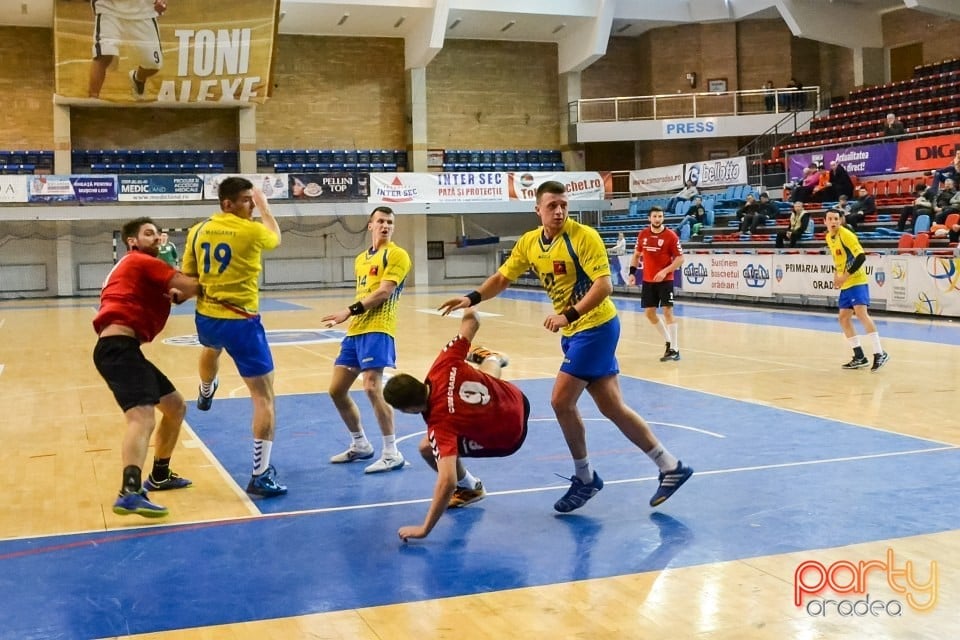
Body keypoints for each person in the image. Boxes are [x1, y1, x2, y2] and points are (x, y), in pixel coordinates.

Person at [439, 181, 693, 513]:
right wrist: (471, 297)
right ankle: (670, 466)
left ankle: (585, 477)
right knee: (613, 407)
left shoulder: (583, 236)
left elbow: (604, 286)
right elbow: (503, 277)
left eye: (563, 205)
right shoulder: (530, 243)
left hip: (596, 327)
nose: (559, 211)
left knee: (560, 401)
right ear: (538, 210)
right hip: (576, 332)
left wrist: (567, 314)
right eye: (552, 206)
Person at [181, 177, 287, 497]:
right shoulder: (253, 230)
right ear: (227, 204)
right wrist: (267, 211)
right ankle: (259, 474)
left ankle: (205, 389)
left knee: (210, 348)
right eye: (246, 200)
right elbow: (275, 237)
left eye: (252, 201)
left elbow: (189, 276)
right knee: (264, 398)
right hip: (242, 322)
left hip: (208, 315)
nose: (251, 205)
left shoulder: (197, 231)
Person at [384, 308, 527, 541]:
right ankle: (491, 359)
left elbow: (446, 481)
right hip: (516, 398)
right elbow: (473, 319)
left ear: (409, 409)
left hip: (510, 435)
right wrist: (469, 302)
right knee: (480, 378)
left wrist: (424, 529)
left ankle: (470, 488)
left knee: (426, 449)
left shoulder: (440, 426)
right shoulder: (443, 363)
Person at [92, 216, 201, 517]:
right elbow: (190, 286)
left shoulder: (131, 266)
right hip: (119, 350)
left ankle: (161, 475)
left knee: (175, 406)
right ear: (132, 241)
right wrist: (218, 273)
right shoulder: (141, 261)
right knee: (142, 417)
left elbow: (172, 292)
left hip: (124, 350)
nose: (157, 238)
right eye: (149, 233)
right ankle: (129, 490)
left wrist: (179, 292)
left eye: (158, 233)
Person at [325, 206, 412, 474]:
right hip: (356, 332)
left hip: (379, 328)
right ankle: (360, 444)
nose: (385, 226)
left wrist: (346, 311)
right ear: (370, 225)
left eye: (389, 222)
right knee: (336, 390)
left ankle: (391, 452)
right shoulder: (361, 259)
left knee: (372, 387)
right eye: (380, 221)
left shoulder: (397, 255)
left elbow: (383, 293)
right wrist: (351, 317)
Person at [824, 209, 888, 371]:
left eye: (836, 219)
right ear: (825, 222)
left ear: (840, 221)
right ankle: (859, 356)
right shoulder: (828, 237)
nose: (833, 222)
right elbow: (838, 260)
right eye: (830, 219)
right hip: (846, 284)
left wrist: (844, 276)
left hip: (856, 280)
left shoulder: (846, 234)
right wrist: (836, 276)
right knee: (843, 318)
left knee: (861, 314)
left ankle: (879, 353)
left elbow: (861, 257)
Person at [628, 205, 685, 360]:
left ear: (663, 218)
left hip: (666, 280)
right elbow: (636, 255)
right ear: (649, 218)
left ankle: (675, 349)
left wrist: (665, 271)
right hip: (648, 280)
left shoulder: (671, 236)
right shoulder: (643, 234)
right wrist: (632, 273)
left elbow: (680, 259)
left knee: (668, 311)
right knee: (649, 313)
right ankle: (668, 341)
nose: (657, 219)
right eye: (655, 216)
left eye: (660, 216)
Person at [88, 0, 167, 100]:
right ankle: (92, 101)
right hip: (109, 8)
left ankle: (138, 79)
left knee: (153, 65)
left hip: (143, 11)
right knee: (104, 54)